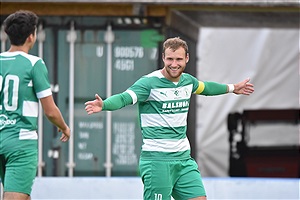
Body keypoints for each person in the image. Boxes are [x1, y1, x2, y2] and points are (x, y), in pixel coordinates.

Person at [85, 37, 254, 200]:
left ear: (187, 58)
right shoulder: (148, 83)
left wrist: (233, 88)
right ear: (163, 58)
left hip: (183, 160)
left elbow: (207, 88)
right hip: (157, 161)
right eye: (170, 59)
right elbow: (124, 98)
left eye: (179, 59)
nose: (174, 64)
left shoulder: (188, 81)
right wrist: (104, 104)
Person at [0, 10, 71, 200]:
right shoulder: (34, 64)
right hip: (20, 142)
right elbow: (50, 111)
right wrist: (64, 127)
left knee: (21, 194)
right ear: (31, 37)